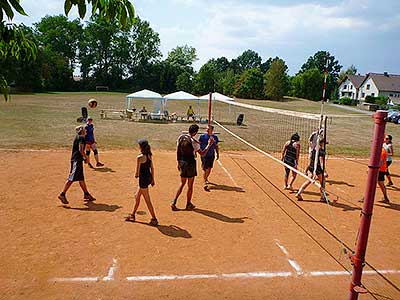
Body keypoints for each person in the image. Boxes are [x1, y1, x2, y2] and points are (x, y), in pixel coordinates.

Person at [171, 124, 213, 211]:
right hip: (190, 164)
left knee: (182, 183)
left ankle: (174, 202)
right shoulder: (194, 142)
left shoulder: (181, 137)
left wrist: (178, 162)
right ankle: (188, 203)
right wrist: (209, 145)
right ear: (195, 132)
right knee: (190, 186)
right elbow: (202, 153)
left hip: (182, 162)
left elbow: (178, 150)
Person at [58, 125, 96, 204]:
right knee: (72, 178)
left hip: (77, 160)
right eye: (84, 129)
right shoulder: (81, 138)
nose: (86, 130)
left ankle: (86, 194)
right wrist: (86, 158)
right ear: (82, 131)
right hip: (76, 160)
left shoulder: (78, 137)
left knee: (81, 178)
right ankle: (62, 194)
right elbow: (81, 150)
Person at [126, 139, 158, 226]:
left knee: (147, 200)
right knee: (137, 196)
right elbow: (152, 168)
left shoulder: (139, 157)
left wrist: (136, 175)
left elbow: (137, 172)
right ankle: (132, 215)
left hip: (143, 180)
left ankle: (154, 218)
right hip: (148, 178)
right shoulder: (149, 155)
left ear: (141, 147)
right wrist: (153, 179)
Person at [199, 125, 219, 191]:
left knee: (209, 168)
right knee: (206, 169)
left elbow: (216, 146)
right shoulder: (202, 137)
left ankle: (206, 178)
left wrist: (217, 154)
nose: (207, 130)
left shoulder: (215, 137)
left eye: (208, 129)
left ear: (212, 130)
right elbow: (199, 145)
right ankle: (205, 182)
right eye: (206, 129)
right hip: (204, 155)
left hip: (211, 155)